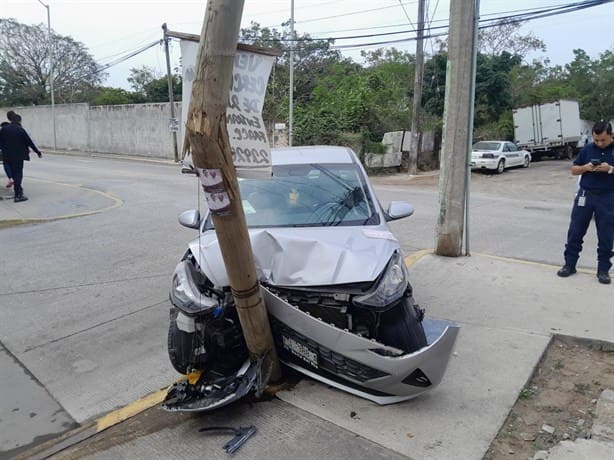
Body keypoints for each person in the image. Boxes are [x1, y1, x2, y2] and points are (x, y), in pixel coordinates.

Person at [557, 120, 614, 284]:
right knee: (575, 231)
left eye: (603, 140)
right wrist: (586, 168)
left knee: (606, 235)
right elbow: (574, 170)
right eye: (596, 140)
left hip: (608, 197)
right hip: (585, 196)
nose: (599, 143)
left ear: (611, 136)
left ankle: (603, 270)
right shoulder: (588, 149)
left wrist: (610, 169)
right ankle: (569, 265)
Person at [0, 113, 43, 202]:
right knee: (18, 174)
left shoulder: (4, 129)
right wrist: (37, 152)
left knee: (13, 173)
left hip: (6, 156)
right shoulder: (20, 130)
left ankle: (19, 192)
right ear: (19, 121)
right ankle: (18, 195)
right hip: (18, 156)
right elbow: (29, 142)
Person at [0, 121, 14, 187]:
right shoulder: (13, 132)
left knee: (6, 164)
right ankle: (13, 179)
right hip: (15, 153)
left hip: (4, 152)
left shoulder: (2, 132)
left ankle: (10, 178)